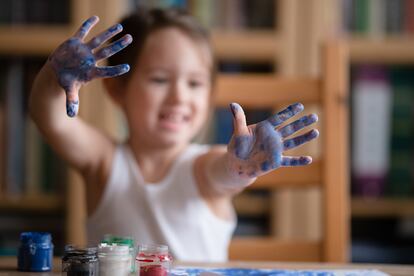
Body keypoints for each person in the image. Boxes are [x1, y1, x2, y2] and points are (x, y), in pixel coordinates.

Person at [29, 8, 319, 262]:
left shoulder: (202, 165)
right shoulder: (103, 162)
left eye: (194, 83)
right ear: (117, 88)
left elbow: (223, 172)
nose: (179, 96)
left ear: (209, 97)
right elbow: (52, 120)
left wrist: (240, 168)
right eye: (159, 79)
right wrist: (54, 78)